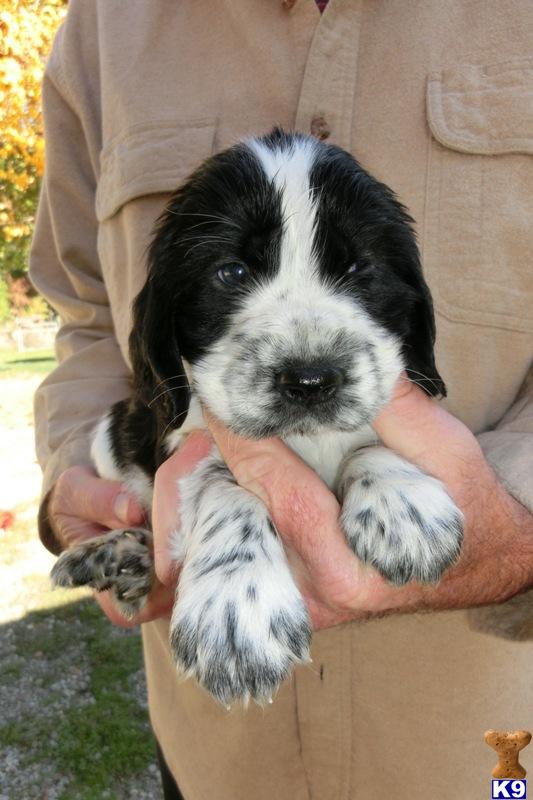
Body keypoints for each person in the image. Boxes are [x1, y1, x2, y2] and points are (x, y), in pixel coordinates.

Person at [31, 1, 533, 798]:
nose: (304, 357)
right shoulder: (103, 25)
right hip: (217, 757)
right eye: (231, 272)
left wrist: (511, 527)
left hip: (474, 749)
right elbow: (88, 314)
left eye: (357, 270)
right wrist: (76, 487)